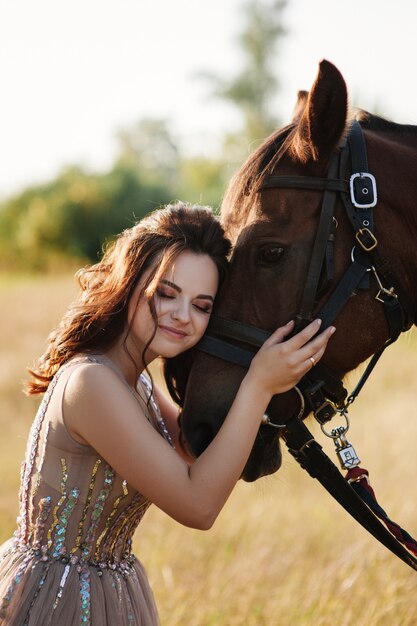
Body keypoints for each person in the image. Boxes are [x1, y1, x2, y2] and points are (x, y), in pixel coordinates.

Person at [0, 202, 335, 625]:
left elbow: (197, 457)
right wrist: (258, 384)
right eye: (166, 294)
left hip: (110, 587)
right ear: (128, 282)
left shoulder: (135, 382)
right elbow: (198, 506)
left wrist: (270, 379)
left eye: (202, 305)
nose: (183, 317)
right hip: (58, 598)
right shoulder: (92, 383)